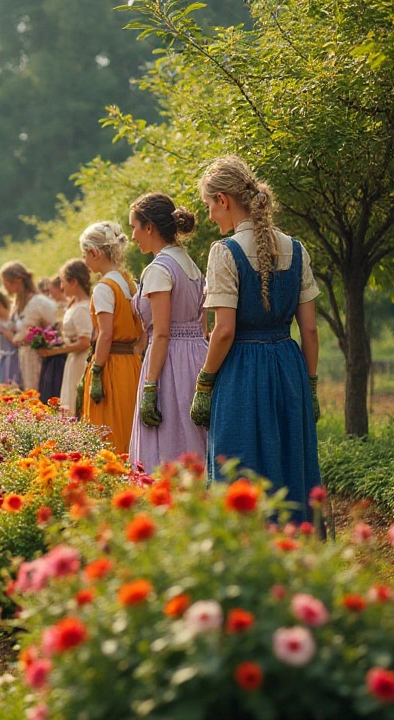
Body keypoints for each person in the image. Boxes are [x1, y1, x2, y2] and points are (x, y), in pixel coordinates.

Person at [191, 156, 321, 518]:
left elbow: (224, 331)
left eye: (209, 207)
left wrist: (204, 382)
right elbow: (309, 329)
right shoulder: (297, 249)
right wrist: (310, 384)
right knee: (290, 460)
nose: (210, 216)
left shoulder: (224, 253)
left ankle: (247, 552)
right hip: (289, 367)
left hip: (242, 373)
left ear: (223, 200)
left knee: (239, 464)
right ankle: (297, 545)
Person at [127, 192, 208, 473]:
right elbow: (202, 323)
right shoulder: (190, 264)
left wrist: (150, 386)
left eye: (134, 227)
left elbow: (161, 333)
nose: (133, 236)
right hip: (197, 355)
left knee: (170, 437)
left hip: (169, 360)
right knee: (193, 438)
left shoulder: (159, 269)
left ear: (149, 227)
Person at [79, 221, 143, 455]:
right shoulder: (130, 283)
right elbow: (143, 328)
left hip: (111, 364)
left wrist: (97, 370)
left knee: (109, 425)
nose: (85, 261)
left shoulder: (104, 288)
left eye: (85, 254)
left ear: (94, 252)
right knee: (128, 422)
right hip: (130, 363)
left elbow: (105, 334)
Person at [0, 261, 57, 392]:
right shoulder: (17, 303)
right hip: (22, 355)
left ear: (18, 281)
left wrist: (41, 339)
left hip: (36, 357)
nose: (5, 288)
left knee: (37, 392)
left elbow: (55, 325)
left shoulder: (39, 302)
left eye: (6, 283)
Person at [47, 259, 93, 415]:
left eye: (63, 282)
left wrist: (54, 351)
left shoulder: (82, 308)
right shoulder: (75, 304)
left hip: (80, 360)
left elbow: (84, 342)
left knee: (76, 401)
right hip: (73, 360)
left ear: (73, 282)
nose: (61, 287)